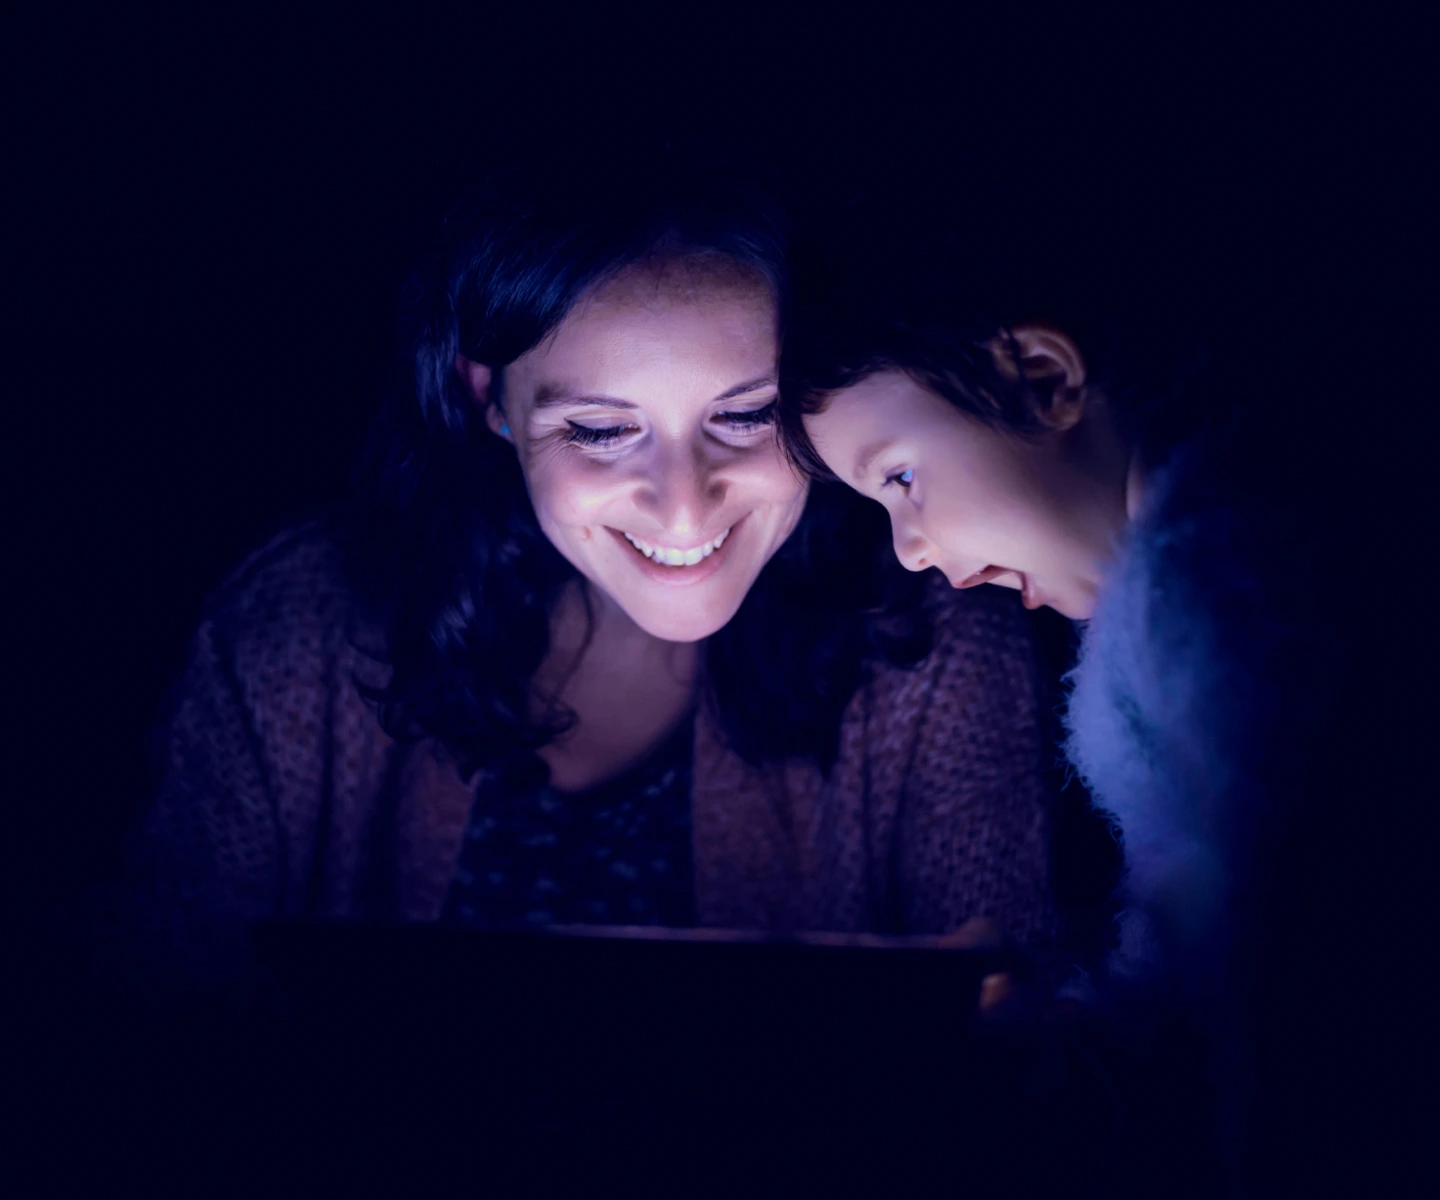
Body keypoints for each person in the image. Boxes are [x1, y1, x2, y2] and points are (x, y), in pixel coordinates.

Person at [83, 145, 1069, 1014]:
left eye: (745, 416)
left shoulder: (927, 631)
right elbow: (147, 1010)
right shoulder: (296, 625)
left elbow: (1028, 1028)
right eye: (599, 430)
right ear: (490, 399)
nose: (683, 507)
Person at [776, 207, 1420, 1192]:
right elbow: (1196, 946)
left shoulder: (1233, 570)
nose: (909, 550)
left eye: (901, 477)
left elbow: (1312, 989)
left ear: (1043, 379)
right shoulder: (1168, 594)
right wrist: (1072, 1029)